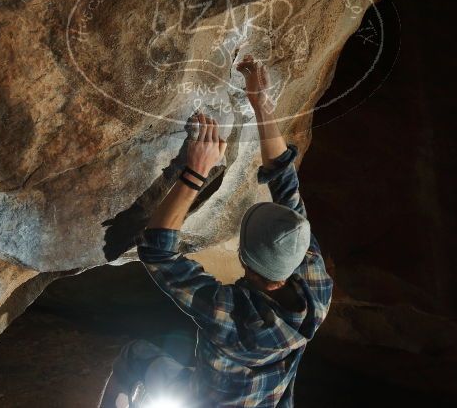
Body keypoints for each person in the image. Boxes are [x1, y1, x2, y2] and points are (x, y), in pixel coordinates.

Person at [99, 56, 333, 407]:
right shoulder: (315, 285)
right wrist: (261, 104)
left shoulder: (233, 317)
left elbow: (157, 251)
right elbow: (285, 179)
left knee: (137, 356)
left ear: (243, 259)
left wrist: (195, 172)